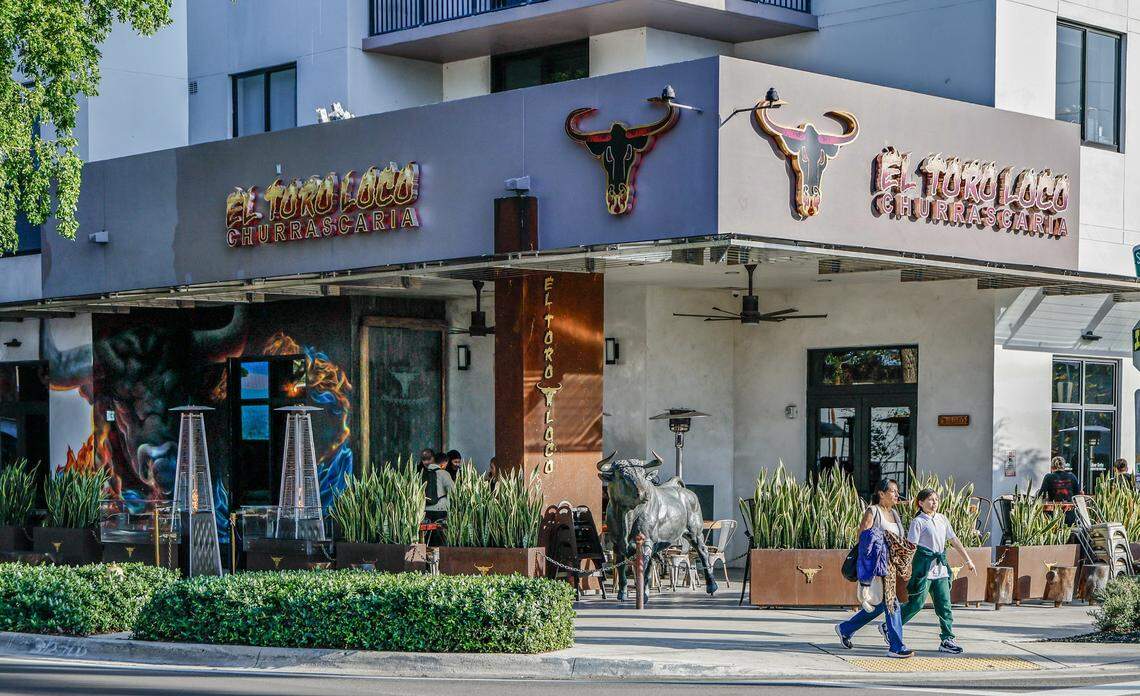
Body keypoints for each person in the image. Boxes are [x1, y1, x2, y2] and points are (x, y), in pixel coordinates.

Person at [835, 478, 916, 658]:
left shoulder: (894, 514)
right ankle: (896, 647)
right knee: (892, 603)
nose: (897, 494)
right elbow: (863, 539)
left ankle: (846, 628)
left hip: (893, 567)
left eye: (897, 491)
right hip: (878, 567)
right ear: (881, 493)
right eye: (893, 491)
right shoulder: (873, 511)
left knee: (881, 605)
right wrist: (868, 568)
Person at [898, 489, 976, 654]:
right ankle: (890, 626)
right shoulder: (918, 522)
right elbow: (911, 547)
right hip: (924, 569)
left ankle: (947, 639)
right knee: (916, 604)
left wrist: (968, 560)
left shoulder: (942, 519)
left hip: (941, 569)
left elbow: (953, 540)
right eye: (930, 500)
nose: (934, 503)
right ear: (920, 503)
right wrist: (905, 566)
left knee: (944, 606)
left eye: (936, 500)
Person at [1040, 456, 1081, 524]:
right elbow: (1077, 496)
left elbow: (1041, 496)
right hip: (1071, 516)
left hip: (1054, 516)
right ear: (1064, 467)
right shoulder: (1072, 476)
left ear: (1052, 467)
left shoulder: (1048, 477)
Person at [424, 451, 455, 524]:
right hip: (441, 511)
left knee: (428, 534)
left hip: (425, 511)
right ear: (444, 463)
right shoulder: (444, 473)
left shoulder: (423, 473)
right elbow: (453, 491)